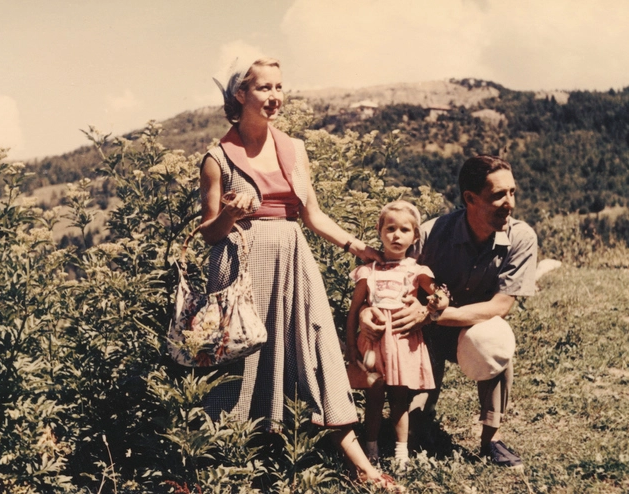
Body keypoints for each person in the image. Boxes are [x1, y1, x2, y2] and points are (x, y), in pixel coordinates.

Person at [199, 57, 400, 490]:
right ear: (240, 95)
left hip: (292, 261)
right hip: (239, 269)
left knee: (316, 351)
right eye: (264, 89)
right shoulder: (217, 158)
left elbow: (312, 215)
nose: (274, 97)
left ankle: (361, 468)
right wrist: (230, 216)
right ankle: (222, 466)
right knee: (239, 364)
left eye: (278, 87)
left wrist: (356, 245)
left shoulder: (293, 148)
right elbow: (208, 233)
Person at [360, 155, 537, 469]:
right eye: (498, 195)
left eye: (512, 192)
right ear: (470, 198)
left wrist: (432, 314)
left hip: (471, 329)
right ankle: (418, 419)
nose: (509, 202)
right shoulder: (431, 234)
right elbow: (389, 275)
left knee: (495, 340)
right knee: (411, 431)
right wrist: (364, 312)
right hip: (421, 336)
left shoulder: (521, 238)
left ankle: (491, 439)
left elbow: (501, 306)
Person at [345, 200, 448, 468]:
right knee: (374, 397)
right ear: (379, 231)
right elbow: (355, 309)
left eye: (404, 230)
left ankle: (402, 452)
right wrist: (350, 346)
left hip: (402, 340)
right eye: (390, 228)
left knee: (400, 399)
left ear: (415, 236)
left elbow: (438, 293)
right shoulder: (369, 270)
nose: (396, 236)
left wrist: (438, 302)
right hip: (373, 342)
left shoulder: (416, 270)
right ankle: (371, 448)